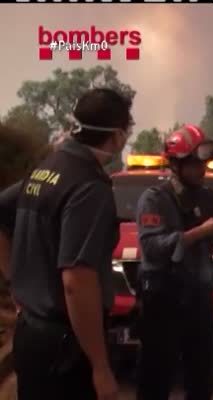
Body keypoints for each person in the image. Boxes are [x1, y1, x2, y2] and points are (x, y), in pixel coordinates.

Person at [0, 88, 134, 400]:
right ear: (117, 135)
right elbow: (77, 281)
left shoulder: (46, 170)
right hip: (67, 348)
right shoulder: (89, 187)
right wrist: (100, 366)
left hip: (31, 334)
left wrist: (14, 283)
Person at [135, 124, 213, 400]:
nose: (202, 170)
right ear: (176, 164)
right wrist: (200, 232)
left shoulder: (207, 198)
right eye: (196, 164)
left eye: (204, 164)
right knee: (155, 377)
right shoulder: (154, 200)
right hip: (162, 299)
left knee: (201, 377)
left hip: (199, 297)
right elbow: (152, 248)